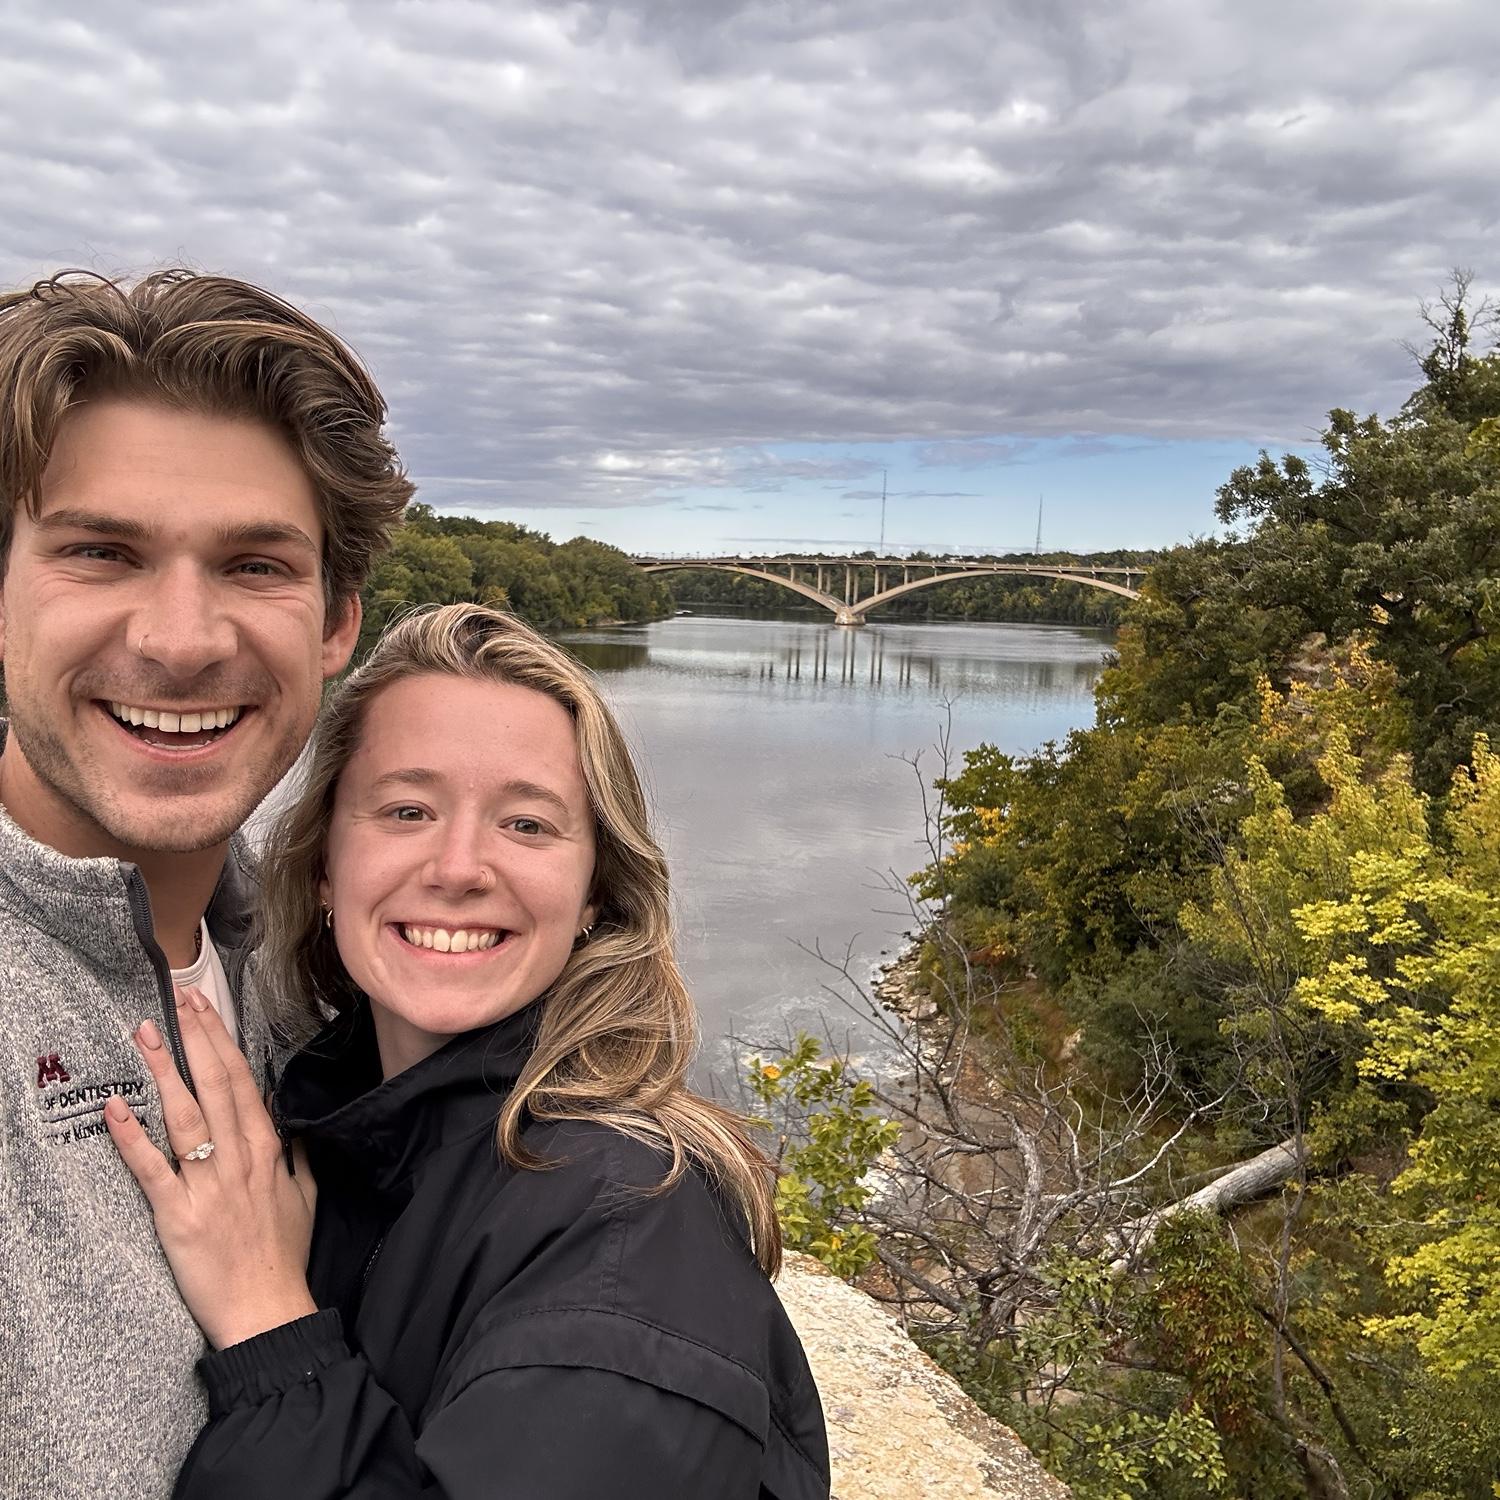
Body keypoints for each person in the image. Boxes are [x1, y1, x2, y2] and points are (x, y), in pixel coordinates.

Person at [105, 602, 832, 1499]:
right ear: (326, 863)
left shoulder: (628, 1230)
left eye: (527, 825)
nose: (458, 868)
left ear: (595, 890)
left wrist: (268, 1327)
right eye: (407, 810)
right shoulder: (349, 1131)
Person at [0, 269, 411, 1495]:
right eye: (100, 552)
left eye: (255, 565)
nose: (181, 641)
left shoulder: (321, 965)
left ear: (335, 624)